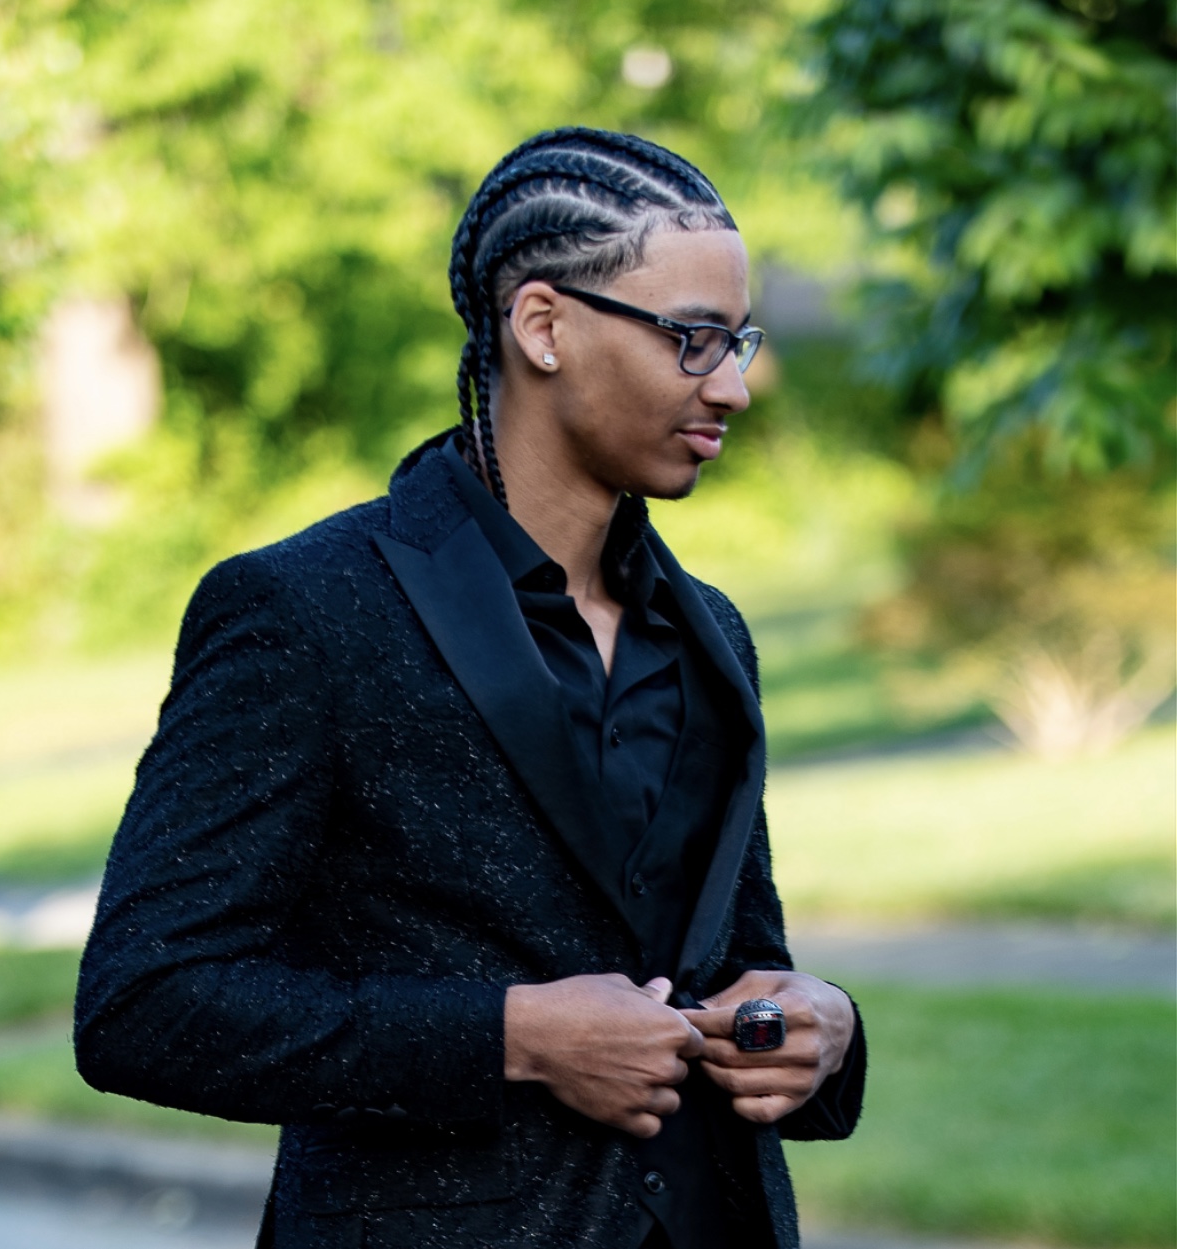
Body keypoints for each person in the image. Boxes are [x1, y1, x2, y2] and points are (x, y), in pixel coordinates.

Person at [75, 127, 865, 1249]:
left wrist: (817, 1027)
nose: (733, 386)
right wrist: (513, 1037)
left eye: (737, 339)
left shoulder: (711, 634)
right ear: (541, 326)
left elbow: (741, 964)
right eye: (692, 340)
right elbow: (143, 1005)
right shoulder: (305, 610)